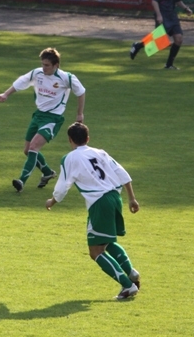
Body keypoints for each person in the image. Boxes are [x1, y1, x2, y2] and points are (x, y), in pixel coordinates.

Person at [45, 122, 141, 301]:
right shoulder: (100, 152)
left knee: (95, 251)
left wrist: (52, 201)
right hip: (115, 198)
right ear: (88, 138)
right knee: (106, 241)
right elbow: (122, 173)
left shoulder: (70, 158)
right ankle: (131, 273)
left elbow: (63, 187)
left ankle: (128, 285)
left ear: (70, 140)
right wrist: (132, 198)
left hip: (99, 202)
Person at [0, 47, 86, 193]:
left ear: (56, 65)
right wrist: (6, 94)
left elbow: (81, 92)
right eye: (42, 64)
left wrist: (79, 114)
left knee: (33, 147)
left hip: (53, 118)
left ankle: (22, 181)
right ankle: (47, 172)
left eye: (47, 65)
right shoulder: (37, 73)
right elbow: (21, 81)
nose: (44, 68)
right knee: (27, 150)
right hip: (38, 116)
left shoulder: (66, 78)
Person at [129, 0, 193, 69]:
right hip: (163, 14)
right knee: (159, 41)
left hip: (172, 15)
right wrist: (159, 15)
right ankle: (138, 45)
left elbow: (178, 0)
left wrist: (186, 8)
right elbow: (155, 1)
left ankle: (169, 65)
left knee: (179, 39)